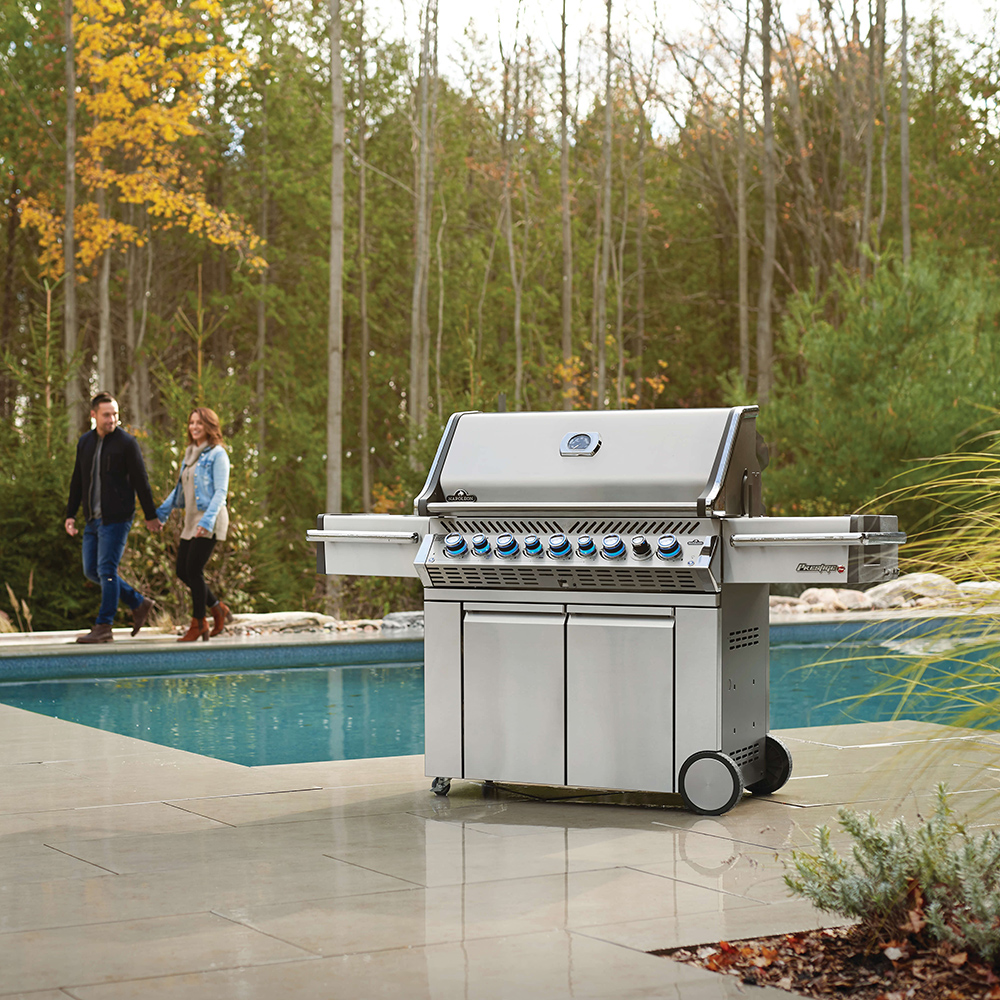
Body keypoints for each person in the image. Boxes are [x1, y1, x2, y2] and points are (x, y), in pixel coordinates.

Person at [65, 392, 162, 643]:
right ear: (94, 415)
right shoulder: (85, 442)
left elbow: (141, 480)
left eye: (115, 414)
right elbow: (78, 480)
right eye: (106, 415)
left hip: (117, 518)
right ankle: (138, 602)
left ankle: (104, 625)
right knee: (91, 570)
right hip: (93, 518)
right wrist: (70, 514)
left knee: (107, 569)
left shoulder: (127, 443)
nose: (112, 419)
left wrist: (150, 515)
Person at [155, 407, 232, 642]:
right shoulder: (190, 454)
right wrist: (160, 514)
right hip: (191, 519)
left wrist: (207, 522)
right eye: (191, 423)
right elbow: (179, 490)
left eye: (199, 423)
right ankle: (217, 608)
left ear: (209, 426)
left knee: (194, 570)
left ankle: (199, 623)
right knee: (182, 570)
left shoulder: (218, 454)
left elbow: (221, 492)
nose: (194, 427)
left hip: (210, 518)